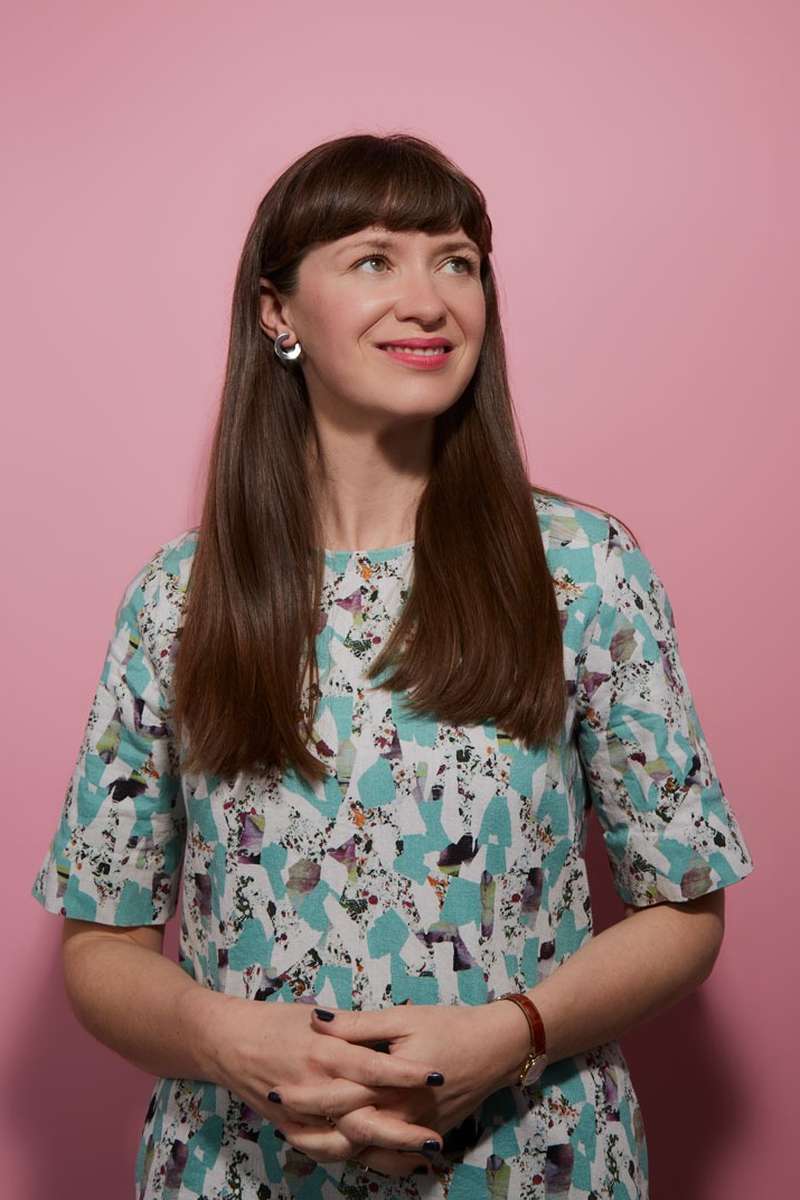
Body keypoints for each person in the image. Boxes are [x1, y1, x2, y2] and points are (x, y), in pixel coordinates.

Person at [31, 132, 755, 1200]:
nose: (429, 300)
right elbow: (102, 945)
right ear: (276, 312)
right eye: (374, 258)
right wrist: (228, 1039)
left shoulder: (582, 567)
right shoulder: (177, 599)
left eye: (456, 261)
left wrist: (513, 1033)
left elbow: (684, 907)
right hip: (239, 1170)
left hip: (530, 1164)